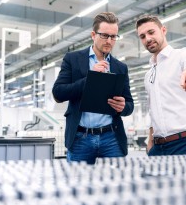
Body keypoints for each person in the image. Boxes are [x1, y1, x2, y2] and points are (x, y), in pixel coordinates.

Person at [52, 12, 134, 164]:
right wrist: (90, 78)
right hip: (80, 138)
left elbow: (130, 105)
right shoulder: (73, 59)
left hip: (112, 138)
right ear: (93, 35)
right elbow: (58, 93)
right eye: (104, 35)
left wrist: (123, 107)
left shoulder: (120, 67)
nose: (109, 41)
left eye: (113, 36)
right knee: (78, 184)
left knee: (116, 185)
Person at [135, 14, 186, 156]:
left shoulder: (182, 55)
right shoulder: (149, 74)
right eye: (142, 36)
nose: (148, 39)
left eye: (151, 32)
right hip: (159, 147)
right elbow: (154, 110)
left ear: (163, 30)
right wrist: (151, 139)